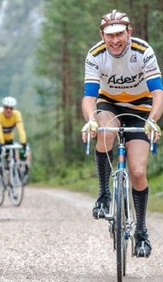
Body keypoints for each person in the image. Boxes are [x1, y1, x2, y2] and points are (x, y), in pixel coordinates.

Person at [81, 10, 163, 258]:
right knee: (106, 131)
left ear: (129, 32)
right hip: (109, 104)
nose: (114, 41)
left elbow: (158, 92)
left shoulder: (143, 51)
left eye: (119, 34)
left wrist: (152, 120)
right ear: (102, 36)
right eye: (109, 36)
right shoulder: (95, 55)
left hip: (141, 108)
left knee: (138, 172)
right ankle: (104, 194)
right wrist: (91, 121)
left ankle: (141, 232)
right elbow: (89, 97)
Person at [0, 96, 27, 175]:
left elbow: (20, 129)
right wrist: (1, 143)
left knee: (11, 153)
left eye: (11, 108)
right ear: (3, 108)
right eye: (6, 108)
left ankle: (12, 171)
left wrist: (23, 141)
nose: (8, 110)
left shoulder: (16, 115)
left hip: (8, 138)